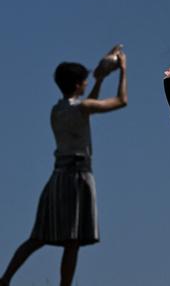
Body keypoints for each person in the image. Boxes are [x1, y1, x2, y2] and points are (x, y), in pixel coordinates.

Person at [0, 48, 127, 286]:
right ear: (79, 85)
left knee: (38, 237)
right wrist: (123, 70)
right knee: (73, 241)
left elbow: (88, 104)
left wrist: (100, 79)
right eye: (85, 81)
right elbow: (122, 101)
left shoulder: (57, 110)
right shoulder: (82, 108)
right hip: (78, 178)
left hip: (58, 177)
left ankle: (5, 278)